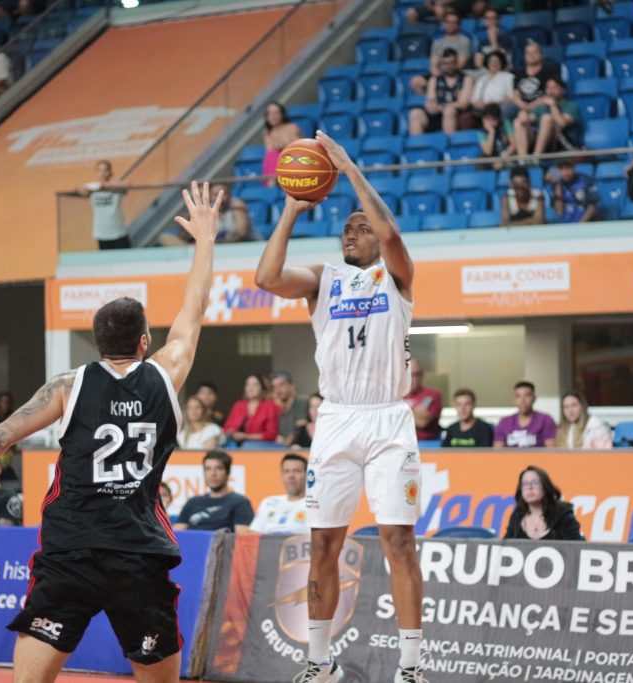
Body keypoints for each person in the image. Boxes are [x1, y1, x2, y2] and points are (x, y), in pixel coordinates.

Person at [0, 180, 222, 682]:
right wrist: (206, 241)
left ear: (98, 344)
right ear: (145, 341)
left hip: (71, 554)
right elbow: (194, 311)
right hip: (138, 554)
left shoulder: (68, 385)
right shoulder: (167, 372)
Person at [255, 130, 428, 682]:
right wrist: (290, 207)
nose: (352, 232)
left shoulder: (396, 278)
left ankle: (409, 668)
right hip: (335, 418)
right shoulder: (322, 281)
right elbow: (265, 277)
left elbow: (392, 232)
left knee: (398, 539)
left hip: (386, 418)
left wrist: (349, 167)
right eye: (346, 227)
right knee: (323, 543)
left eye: (361, 227)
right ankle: (319, 662)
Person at [173, 450, 254, 532]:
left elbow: (243, 537)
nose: (212, 473)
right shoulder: (193, 502)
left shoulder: (240, 502)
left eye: (218, 468)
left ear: (228, 472)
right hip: (192, 544)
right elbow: (176, 534)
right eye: (208, 469)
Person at [502, 466, 582, 540]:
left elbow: (575, 548)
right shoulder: (517, 515)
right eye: (525, 484)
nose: (530, 487)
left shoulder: (563, 515)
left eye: (535, 482)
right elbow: (505, 546)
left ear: (545, 486)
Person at [409, 48, 473, 135]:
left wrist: (443, 107)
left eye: (452, 63)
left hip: (456, 115)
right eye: (446, 63)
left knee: (449, 111)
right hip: (437, 114)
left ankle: (449, 145)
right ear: (441, 64)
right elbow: (430, 100)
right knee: (415, 113)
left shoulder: (466, 79)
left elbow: (463, 103)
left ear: (457, 62)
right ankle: (417, 146)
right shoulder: (434, 80)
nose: (449, 66)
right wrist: (432, 106)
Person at [513, 76, 581, 157]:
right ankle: (522, 160)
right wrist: (524, 114)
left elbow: (562, 123)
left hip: (560, 142)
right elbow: (529, 119)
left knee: (547, 118)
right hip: (538, 141)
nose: (550, 91)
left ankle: (536, 157)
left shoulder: (571, 106)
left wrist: (553, 105)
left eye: (554, 87)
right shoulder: (542, 107)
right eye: (548, 88)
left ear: (563, 90)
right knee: (518, 122)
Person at [410, 10, 471, 95]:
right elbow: (433, 65)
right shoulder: (437, 43)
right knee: (416, 81)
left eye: (453, 22)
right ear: (444, 24)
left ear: (459, 25)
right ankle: (430, 103)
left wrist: (446, 77)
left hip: (455, 74)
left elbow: (460, 64)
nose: (450, 25)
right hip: (440, 75)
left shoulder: (464, 41)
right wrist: (440, 78)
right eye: (448, 22)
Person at [76, 159, 131, 250]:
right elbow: (79, 188)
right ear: (96, 173)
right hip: (102, 234)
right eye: (100, 170)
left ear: (110, 172)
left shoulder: (115, 186)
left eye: (105, 170)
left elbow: (128, 184)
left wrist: (108, 185)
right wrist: (91, 188)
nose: (103, 173)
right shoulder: (93, 187)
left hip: (119, 232)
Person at [249, 453, 308, 535]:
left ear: (307, 475)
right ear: (282, 475)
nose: (291, 476)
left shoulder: (314, 505)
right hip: (268, 547)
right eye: (286, 471)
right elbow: (253, 534)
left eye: (297, 471)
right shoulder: (268, 502)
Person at [503, 41, 560, 122]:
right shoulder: (519, 73)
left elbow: (550, 94)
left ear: (541, 55)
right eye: (528, 53)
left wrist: (532, 105)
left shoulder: (549, 71)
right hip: (521, 105)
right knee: (505, 110)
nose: (531, 55)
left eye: (534, 52)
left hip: (541, 104)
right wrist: (522, 105)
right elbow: (515, 94)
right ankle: (510, 134)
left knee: (537, 113)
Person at [493, 381, 557, 448]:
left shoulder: (545, 420)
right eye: (518, 396)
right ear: (514, 399)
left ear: (534, 398)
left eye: (527, 395)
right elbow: (498, 452)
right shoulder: (504, 422)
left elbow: (551, 451)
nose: (522, 400)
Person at [222, 373, 280, 444]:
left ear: (262, 388)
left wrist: (246, 437)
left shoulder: (270, 406)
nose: (250, 388)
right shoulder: (238, 405)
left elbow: (271, 434)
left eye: (255, 385)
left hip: (260, 447)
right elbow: (226, 428)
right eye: (248, 384)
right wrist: (231, 432)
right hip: (234, 445)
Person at [462, 50, 513, 126]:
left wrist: (492, 104)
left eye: (496, 61)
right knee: (465, 117)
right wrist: (477, 103)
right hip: (480, 108)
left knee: (492, 113)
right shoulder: (481, 79)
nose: (494, 63)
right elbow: (473, 98)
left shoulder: (508, 77)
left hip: (497, 107)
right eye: (491, 61)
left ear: (501, 63)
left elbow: (510, 97)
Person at [404, 359, 443, 442]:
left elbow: (422, 422)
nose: (411, 378)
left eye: (415, 374)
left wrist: (399, 413)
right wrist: (415, 411)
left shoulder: (433, 395)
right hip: (402, 445)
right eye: (408, 374)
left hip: (426, 446)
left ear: (422, 375)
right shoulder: (397, 397)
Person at [262, 101, 301, 183]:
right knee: (272, 156)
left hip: (291, 162)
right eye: (270, 113)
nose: (273, 116)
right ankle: (271, 184)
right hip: (274, 167)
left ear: (282, 114)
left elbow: (299, 147)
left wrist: (282, 146)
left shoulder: (291, 127)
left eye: (276, 113)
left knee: (276, 156)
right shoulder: (267, 132)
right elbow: (270, 150)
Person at [271, 370, 308, 445]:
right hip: (277, 448)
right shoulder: (273, 405)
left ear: (291, 385)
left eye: (281, 385)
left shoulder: (303, 402)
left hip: (300, 446)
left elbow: (300, 428)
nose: (278, 390)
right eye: (275, 386)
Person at [475, 102, 515, 168]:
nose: (489, 122)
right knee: (480, 163)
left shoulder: (505, 124)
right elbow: (488, 152)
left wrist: (502, 159)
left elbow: (513, 145)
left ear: (498, 119)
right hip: (492, 158)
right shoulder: (481, 132)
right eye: (486, 119)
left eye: (492, 119)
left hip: (506, 156)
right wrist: (491, 132)